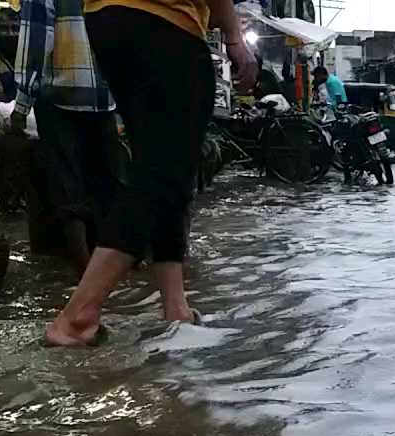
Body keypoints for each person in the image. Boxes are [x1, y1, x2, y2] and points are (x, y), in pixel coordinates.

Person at [42, 0, 257, 346]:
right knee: (164, 173)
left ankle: (176, 308)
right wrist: (234, 36)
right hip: (166, 21)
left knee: (162, 165)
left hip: (106, 20)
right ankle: (78, 317)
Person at [9, 0, 118, 276]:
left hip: (61, 96)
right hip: (103, 98)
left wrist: (21, 105)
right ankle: (113, 273)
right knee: (106, 185)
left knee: (68, 185)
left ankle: (84, 272)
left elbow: (35, 42)